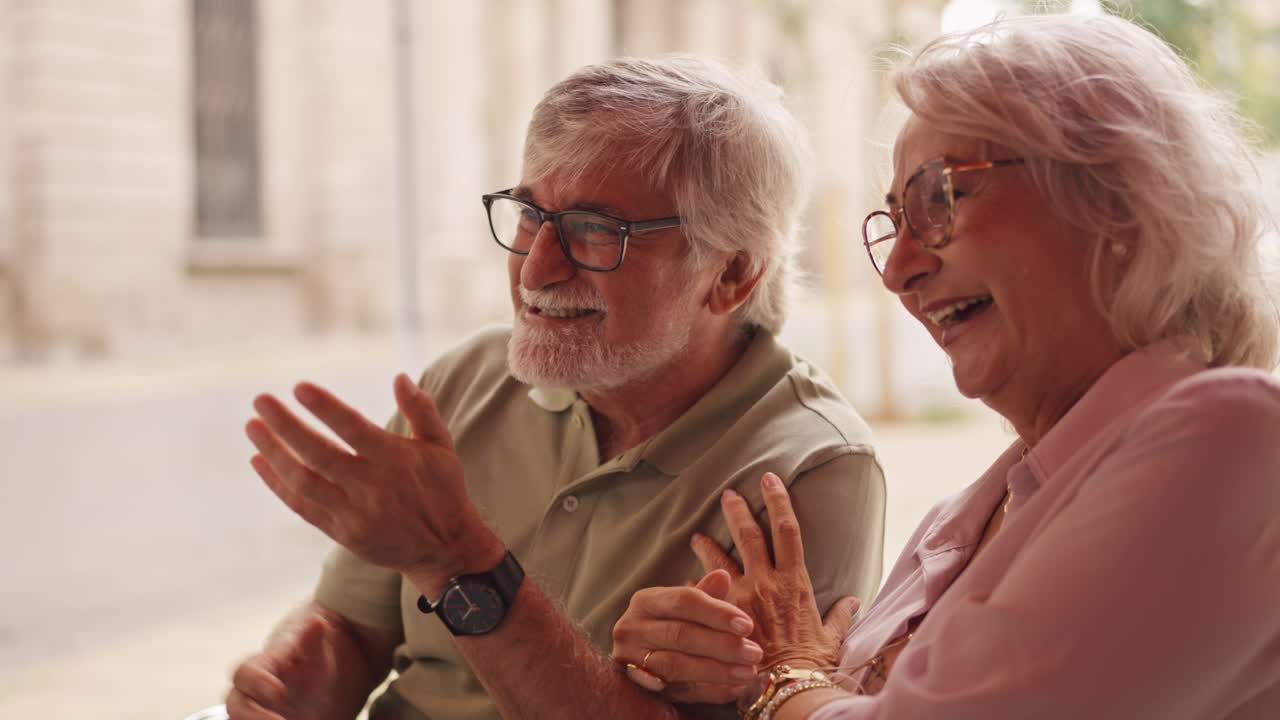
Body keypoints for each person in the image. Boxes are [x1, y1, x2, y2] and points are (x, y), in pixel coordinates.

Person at [610, 14, 1280, 720]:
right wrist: (722, 672)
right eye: (892, 222)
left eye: (938, 198)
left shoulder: (1234, 436)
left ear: (1112, 196)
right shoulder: (962, 517)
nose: (898, 270)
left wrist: (787, 675)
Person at [228, 55, 887, 720]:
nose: (536, 269)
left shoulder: (812, 469)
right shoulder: (464, 383)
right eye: (528, 215)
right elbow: (351, 624)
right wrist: (300, 670)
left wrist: (462, 563)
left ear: (733, 273)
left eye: (595, 231)